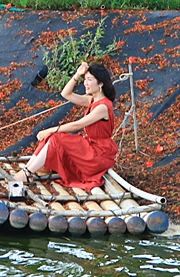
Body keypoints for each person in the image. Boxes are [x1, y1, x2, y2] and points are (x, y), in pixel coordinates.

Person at [12, 61, 118, 190]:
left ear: (100, 83)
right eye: (85, 80)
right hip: (90, 147)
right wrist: (78, 74)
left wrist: (50, 129)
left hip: (99, 154)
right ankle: (27, 171)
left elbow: (77, 125)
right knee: (51, 138)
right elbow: (65, 94)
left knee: (55, 137)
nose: (86, 83)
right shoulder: (92, 100)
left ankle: (26, 173)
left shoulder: (103, 106)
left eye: (89, 80)